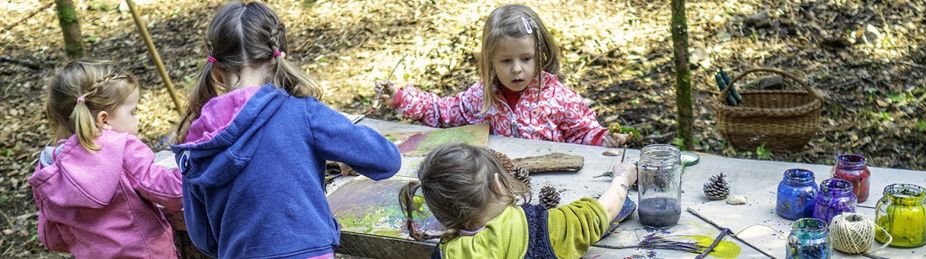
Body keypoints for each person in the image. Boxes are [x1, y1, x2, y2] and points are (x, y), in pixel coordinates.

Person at [170, 1, 401, 258]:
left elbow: (203, 238)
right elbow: (386, 160)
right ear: (278, 57)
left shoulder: (197, 137)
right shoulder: (303, 112)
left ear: (217, 70)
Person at [379, 4, 628, 147]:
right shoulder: (482, 98)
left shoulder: (559, 98)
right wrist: (401, 98)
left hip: (556, 183)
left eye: (526, 59)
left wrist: (606, 139)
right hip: (501, 186)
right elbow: (443, 112)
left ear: (539, 55)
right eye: (506, 61)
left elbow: (583, 133)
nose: (517, 69)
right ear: (490, 61)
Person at [30, 59, 183, 258]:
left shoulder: (49, 168)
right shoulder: (124, 149)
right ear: (104, 119)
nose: (136, 118)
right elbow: (173, 192)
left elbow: (51, 237)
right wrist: (194, 167)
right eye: (132, 112)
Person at [399, 144, 637, 258]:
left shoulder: (444, 253)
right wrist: (622, 178)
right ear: (498, 184)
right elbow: (602, 212)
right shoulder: (543, 227)